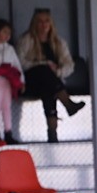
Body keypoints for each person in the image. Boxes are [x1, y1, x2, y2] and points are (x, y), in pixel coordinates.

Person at [17, 8, 84, 142]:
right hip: (29, 82)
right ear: (34, 23)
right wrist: (43, 64)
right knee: (44, 71)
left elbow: (69, 65)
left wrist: (57, 71)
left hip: (51, 82)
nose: (43, 25)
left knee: (48, 89)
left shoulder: (58, 42)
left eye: (46, 21)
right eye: (40, 22)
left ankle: (52, 134)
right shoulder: (26, 40)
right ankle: (67, 104)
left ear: (51, 23)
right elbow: (19, 63)